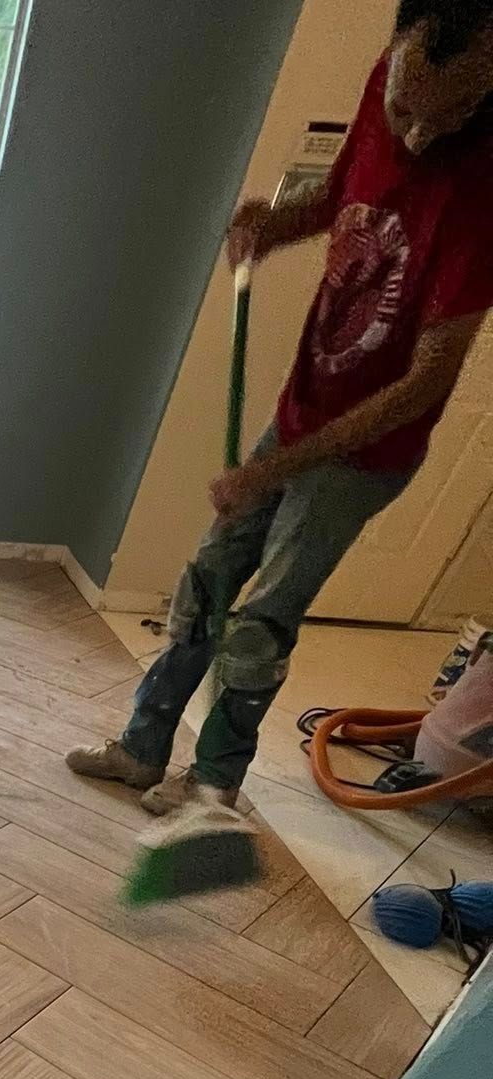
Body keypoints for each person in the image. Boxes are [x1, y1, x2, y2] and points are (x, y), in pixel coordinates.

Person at [68, 0, 493, 815]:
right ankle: (140, 751)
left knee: (261, 622)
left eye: (449, 118)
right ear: (396, 52)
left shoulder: (483, 197)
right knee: (205, 584)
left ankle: (213, 787)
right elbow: (340, 202)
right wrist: (273, 227)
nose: (414, 136)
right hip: (301, 413)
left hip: (363, 458)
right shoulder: (389, 85)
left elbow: (426, 384)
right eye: (404, 107)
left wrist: (273, 466)